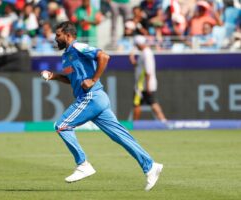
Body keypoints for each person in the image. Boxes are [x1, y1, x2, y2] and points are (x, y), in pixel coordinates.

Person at [40, 21, 163, 191]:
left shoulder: (78, 47)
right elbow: (72, 79)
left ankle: (83, 164)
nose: (55, 38)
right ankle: (150, 166)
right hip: (97, 99)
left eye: (58, 35)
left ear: (68, 35)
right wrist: (53, 76)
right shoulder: (66, 55)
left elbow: (104, 56)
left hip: (91, 97)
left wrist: (93, 79)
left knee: (61, 126)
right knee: (120, 136)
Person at [129, 35, 167, 121]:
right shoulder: (144, 53)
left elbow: (148, 71)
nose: (136, 46)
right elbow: (139, 67)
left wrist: (148, 86)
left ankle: (163, 121)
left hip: (144, 85)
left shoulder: (146, 53)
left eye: (136, 44)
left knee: (146, 103)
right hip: (142, 85)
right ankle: (163, 121)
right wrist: (132, 58)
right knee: (145, 103)